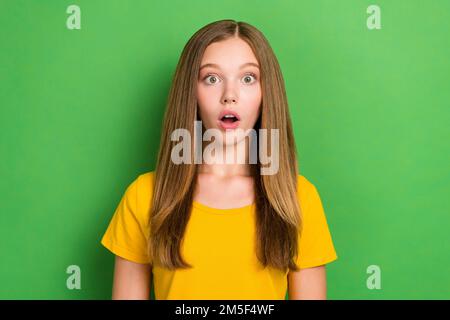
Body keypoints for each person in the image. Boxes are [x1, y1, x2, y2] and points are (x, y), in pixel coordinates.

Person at [101, 19, 338, 300]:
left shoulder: (298, 199)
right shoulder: (146, 196)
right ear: (191, 92)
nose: (230, 96)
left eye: (248, 78)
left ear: (266, 93)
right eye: (211, 79)